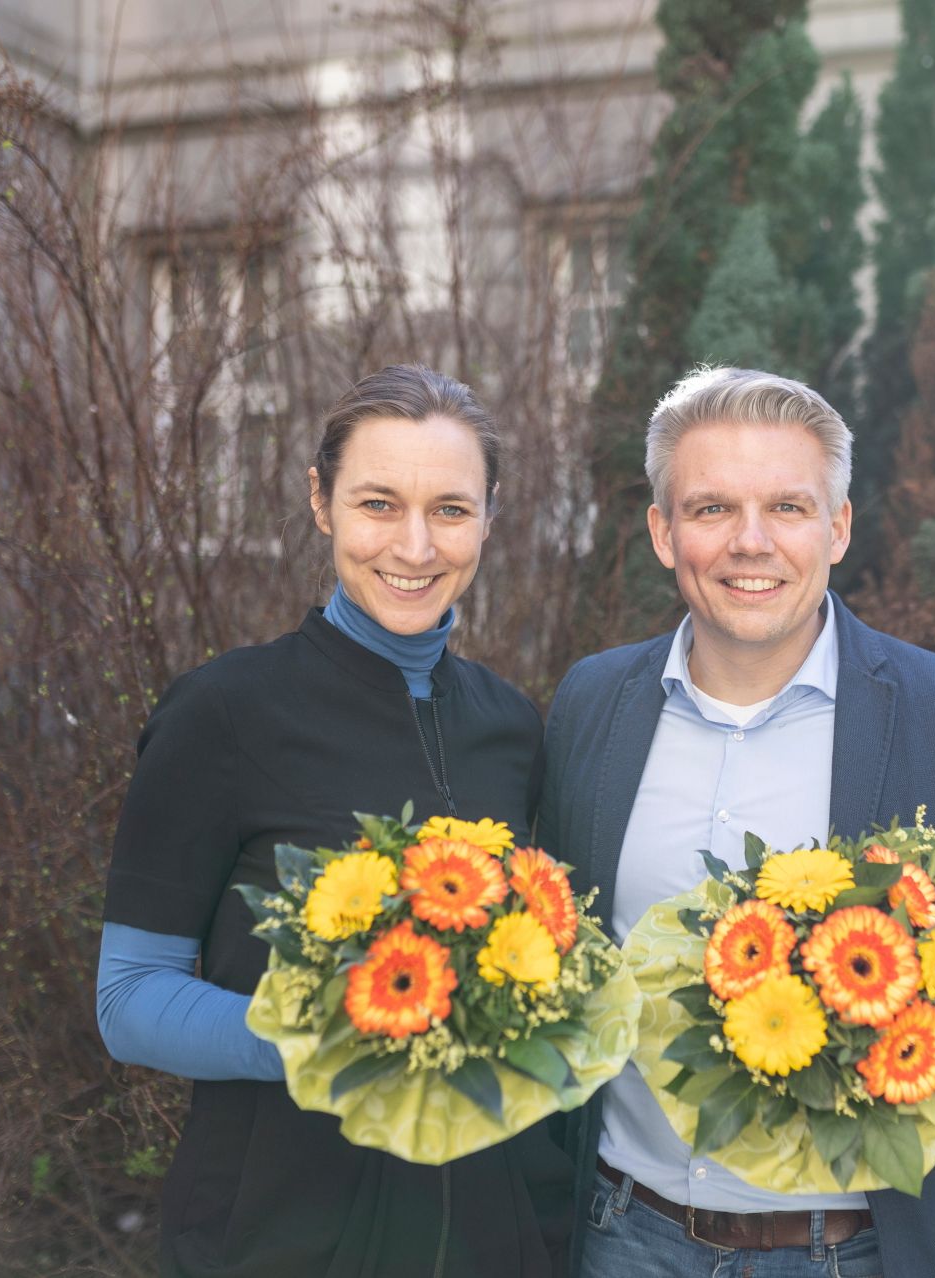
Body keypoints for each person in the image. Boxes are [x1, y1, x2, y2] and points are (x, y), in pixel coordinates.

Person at [538, 367, 935, 1278]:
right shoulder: (592, 702)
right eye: (712, 510)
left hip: (856, 1251)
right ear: (665, 534)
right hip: (616, 1236)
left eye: (787, 507)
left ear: (838, 527)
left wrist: (903, 1081)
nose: (752, 543)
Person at [97, 365, 572, 1278]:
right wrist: (338, 1042)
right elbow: (128, 1001)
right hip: (278, 1232)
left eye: (451, 509)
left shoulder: (512, 725)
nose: (415, 544)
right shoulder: (223, 713)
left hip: (488, 1234)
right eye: (379, 503)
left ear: (489, 516)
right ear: (321, 504)